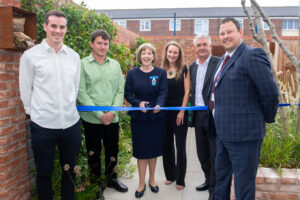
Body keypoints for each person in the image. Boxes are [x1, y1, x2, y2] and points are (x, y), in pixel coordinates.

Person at [210, 17, 279, 200]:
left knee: (243, 188)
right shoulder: (223, 60)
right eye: (222, 33)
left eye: (229, 32)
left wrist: (267, 117)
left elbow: (270, 93)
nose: (225, 36)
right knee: (221, 182)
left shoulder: (252, 55)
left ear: (240, 32)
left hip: (245, 136)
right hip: (223, 135)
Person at [19, 10, 81, 200]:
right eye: (53, 26)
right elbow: (26, 90)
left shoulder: (74, 57)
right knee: (44, 173)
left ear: (66, 29)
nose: (57, 30)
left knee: (69, 171)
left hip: (71, 124)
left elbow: (75, 88)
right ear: (45, 27)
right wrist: (34, 114)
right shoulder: (30, 57)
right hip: (43, 125)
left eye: (61, 27)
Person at [77, 29, 128, 199]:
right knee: (94, 151)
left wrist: (112, 113)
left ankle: (112, 179)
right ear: (92, 44)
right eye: (99, 43)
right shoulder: (82, 64)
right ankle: (96, 182)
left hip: (112, 118)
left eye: (106, 44)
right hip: (92, 118)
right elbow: (81, 92)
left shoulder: (114, 65)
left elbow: (120, 90)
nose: (103, 47)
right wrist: (100, 114)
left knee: (113, 149)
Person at [124, 43, 168, 198]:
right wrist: (138, 103)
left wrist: (160, 104)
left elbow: (163, 92)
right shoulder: (132, 74)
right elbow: (128, 94)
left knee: (153, 151)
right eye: (144, 53)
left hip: (156, 117)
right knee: (142, 152)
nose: (147, 56)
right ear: (139, 56)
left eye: (150, 53)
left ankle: (153, 180)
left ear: (154, 56)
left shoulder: (161, 73)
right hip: (139, 118)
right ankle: (141, 183)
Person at [189, 35, 219, 200]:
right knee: (202, 153)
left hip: (213, 115)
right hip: (198, 115)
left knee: (214, 152)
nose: (201, 47)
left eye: (204, 44)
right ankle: (208, 180)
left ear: (210, 46)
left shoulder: (219, 63)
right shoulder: (192, 66)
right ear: (195, 47)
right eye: (198, 45)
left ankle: (214, 190)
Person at [161, 41, 190, 190]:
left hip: (179, 114)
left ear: (179, 55)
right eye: (170, 52)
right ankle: (170, 175)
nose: (172, 55)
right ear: (166, 53)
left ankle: (180, 179)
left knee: (180, 146)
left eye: (175, 52)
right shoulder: (161, 70)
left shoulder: (184, 68)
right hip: (164, 114)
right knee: (166, 145)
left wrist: (182, 111)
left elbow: (187, 92)